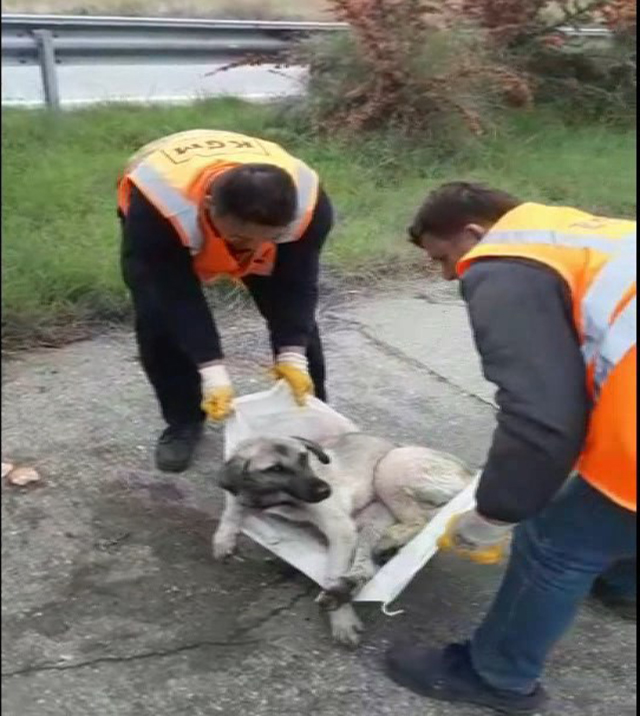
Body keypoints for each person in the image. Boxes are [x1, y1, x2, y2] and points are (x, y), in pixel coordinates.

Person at [385, 182, 636, 714]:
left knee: (554, 540)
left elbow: (542, 420)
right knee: (612, 516)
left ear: (475, 234)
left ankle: (496, 674)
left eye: (445, 257)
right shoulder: (577, 235)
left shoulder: (502, 262)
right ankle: (626, 582)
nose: (451, 274)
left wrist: (496, 513)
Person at [117, 129, 333, 473]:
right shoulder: (158, 205)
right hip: (166, 220)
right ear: (209, 206)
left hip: (248, 217)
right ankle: (184, 419)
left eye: (267, 238)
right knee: (158, 317)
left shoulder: (309, 207)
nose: (247, 248)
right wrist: (212, 371)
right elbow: (176, 295)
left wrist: (292, 353)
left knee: (297, 325)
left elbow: (297, 284)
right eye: (238, 237)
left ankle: (310, 414)